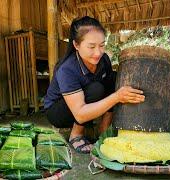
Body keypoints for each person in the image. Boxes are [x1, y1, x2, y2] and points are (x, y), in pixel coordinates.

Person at [44, 16, 145, 153]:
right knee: (95, 89)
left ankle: (103, 129)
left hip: (85, 101)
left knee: (113, 78)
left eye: (102, 45)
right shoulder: (66, 69)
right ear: (76, 45)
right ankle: (76, 135)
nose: (98, 52)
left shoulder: (103, 60)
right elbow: (79, 114)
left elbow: (109, 87)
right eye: (91, 46)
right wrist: (117, 97)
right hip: (58, 111)